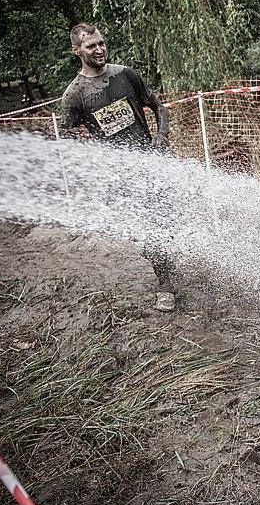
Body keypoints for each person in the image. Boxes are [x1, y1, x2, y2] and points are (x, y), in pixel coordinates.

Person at [60, 22, 177, 311]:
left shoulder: (125, 75)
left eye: (101, 43)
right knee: (147, 230)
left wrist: (161, 139)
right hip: (120, 175)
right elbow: (66, 135)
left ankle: (170, 263)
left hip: (152, 162)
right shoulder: (74, 95)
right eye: (91, 46)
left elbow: (159, 108)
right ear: (77, 51)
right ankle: (166, 286)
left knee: (168, 220)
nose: (98, 49)